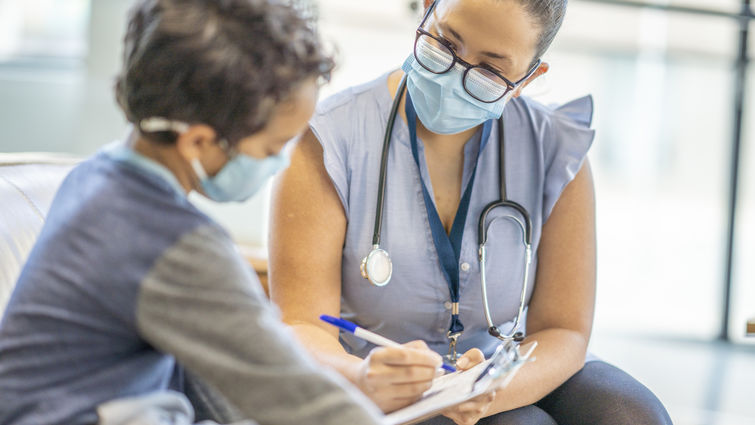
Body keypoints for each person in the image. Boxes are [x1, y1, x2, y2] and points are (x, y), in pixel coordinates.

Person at [268, 0, 673, 424]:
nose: (453, 75)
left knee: (631, 416)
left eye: (490, 71)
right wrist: (363, 376)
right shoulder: (330, 138)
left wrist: (488, 392)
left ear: (527, 78)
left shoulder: (555, 148)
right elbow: (302, 324)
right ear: (427, 8)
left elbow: (564, 330)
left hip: (503, 365)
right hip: (372, 381)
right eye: (445, 43)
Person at [0, 1, 385, 424]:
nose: (280, 163)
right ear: (198, 142)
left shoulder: (93, 178)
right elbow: (296, 394)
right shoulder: (174, 246)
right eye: (273, 148)